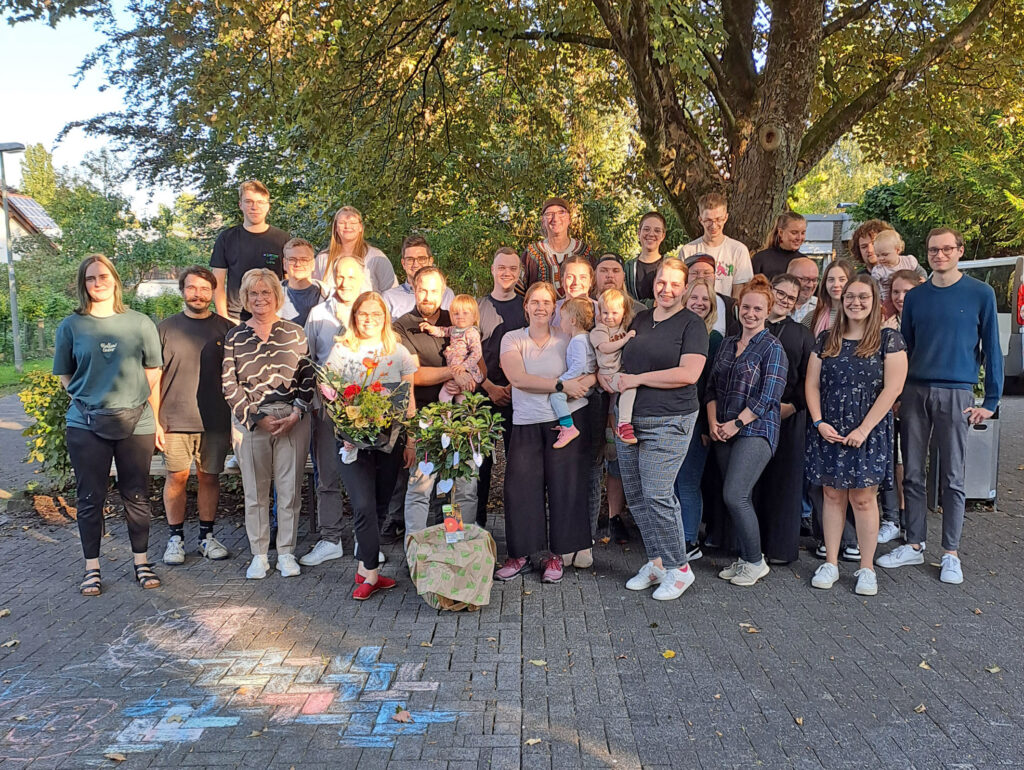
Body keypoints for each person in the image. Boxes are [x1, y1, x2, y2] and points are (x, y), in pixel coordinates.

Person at [877, 227, 1003, 585]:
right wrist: (897, 392)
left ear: (959, 251)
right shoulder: (917, 297)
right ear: (926, 253)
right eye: (934, 250)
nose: (940, 255)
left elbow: (992, 349)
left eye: (947, 249)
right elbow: (907, 348)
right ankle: (914, 543)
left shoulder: (981, 293)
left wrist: (991, 400)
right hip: (916, 390)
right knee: (913, 473)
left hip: (957, 392)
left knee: (953, 476)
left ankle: (950, 553)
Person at [54, 254, 163, 595]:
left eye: (103, 276)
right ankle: (91, 568)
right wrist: (89, 400)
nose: (98, 283)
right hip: (85, 424)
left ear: (115, 280)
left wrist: (147, 412)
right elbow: (64, 375)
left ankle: (142, 562)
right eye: (90, 278)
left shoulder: (140, 323)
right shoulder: (71, 326)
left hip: (137, 422)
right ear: (83, 284)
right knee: (89, 497)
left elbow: (153, 370)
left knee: (137, 495)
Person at [806, 275, 908, 595]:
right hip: (830, 428)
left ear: (875, 302)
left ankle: (866, 568)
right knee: (832, 495)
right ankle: (831, 563)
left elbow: (893, 388)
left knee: (863, 499)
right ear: (842, 300)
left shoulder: (889, 339)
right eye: (850, 297)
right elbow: (811, 384)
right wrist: (819, 421)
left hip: (870, 428)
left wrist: (864, 429)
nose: (856, 303)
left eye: (863, 297)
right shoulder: (825, 340)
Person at [614, 257, 708, 600]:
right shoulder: (640, 318)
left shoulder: (691, 325)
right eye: (661, 282)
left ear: (684, 288)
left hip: (669, 420)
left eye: (674, 284)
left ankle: (679, 568)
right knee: (637, 495)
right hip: (629, 419)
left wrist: (638, 379)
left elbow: (688, 374)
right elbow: (625, 361)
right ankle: (656, 562)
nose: (666, 289)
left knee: (657, 493)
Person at [497, 282, 596, 583]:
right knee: (521, 491)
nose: (541, 307)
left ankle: (557, 555)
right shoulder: (512, 338)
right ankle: (521, 555)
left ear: (555, 308)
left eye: (547, 302)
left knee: (564, 490)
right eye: (535, 302)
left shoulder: (568, 339)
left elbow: (593, 371)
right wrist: (561, 385)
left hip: (562, 424)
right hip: (525, 422)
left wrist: (585, 383)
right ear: (525, 306)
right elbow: (518, 378)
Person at [222, 269, 314, 580]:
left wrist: (296, 413)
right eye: (253, 294)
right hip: (252, 420)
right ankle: (259, 555)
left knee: (289, 491)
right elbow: (228, 383)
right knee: (256, 492)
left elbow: (308, 376)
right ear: (245, 298)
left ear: (277, 296)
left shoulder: (294, 332)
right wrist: (256, 418)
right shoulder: (235, 336)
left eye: (266, 293)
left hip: (292, 418)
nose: (260, 299)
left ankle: (286, 553)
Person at [325, 292, 416, 599]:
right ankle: (372, 572)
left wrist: (411, 442)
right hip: (352, 444)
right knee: (363, 505)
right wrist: (346, 420)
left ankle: (366, 571)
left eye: (376, 314)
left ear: (384, 317)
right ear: (354, 317)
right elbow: (329, 396)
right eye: (363, 314)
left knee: (378, 506)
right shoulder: (341, 351)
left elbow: (409, 403)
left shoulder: (399, 353)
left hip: (391, 443)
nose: (369, 319)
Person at [706, 276, 787, 587]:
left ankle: (755, 561)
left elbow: (769, 396)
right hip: (723, 429)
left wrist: (737, 423)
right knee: (739, 497)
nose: (750, 313)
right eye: (746, 307)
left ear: (767, 311)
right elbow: (711, 387)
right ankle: (744, 557)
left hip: (756, 430)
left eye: (758, 308)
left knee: (735, 494)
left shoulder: (772, 347)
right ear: (738, 307)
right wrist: (714, 423)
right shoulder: (727, 344)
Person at [155, 266, 233, 566]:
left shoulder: (226, 330)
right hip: (173, 420)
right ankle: (175, 538)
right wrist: (155, 420)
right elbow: (153, 378)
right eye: (192, 288)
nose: (198, 294)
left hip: (215, 421)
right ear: (182, 290)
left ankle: (206, 537)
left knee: (209, 477)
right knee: (176, 477)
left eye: (204, 288)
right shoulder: (164, 329)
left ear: (212, 292)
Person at [396, 267, 479, 535]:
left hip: (461, 420)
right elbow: (414, 375)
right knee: (421, 487)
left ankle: (455, 540)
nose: (428, 295)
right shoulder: (402, 326)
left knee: (459, 487)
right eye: (422, 289)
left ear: (443, 292)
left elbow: (482, 367)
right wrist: (455, 373)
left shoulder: (456, 318)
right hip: (425, 419)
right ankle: (416, 546)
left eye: (434, 290)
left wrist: (468, 376)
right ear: (413, 288)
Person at [299, 256, 365, 567]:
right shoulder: (317, 313)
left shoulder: (372, 310)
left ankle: (366, 540)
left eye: (351, 276)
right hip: (327, 406)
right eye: (340, 275)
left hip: (366, 406)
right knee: (327, 474)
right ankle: (330, 538)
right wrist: (314, 402)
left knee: (364, 473)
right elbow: (309, 359)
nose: (345, 282)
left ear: (361, 277)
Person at [752, 274, 815, 564]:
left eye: (791, 297)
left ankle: (779, 548)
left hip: (788, 416)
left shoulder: (801, 335)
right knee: (753, 481)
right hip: (750, 416)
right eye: (780, 293)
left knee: (784, 483)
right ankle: (750, 545)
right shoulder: (751, 323)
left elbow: (809, 379)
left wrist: (791, 406)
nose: (784, 300)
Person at [476, 247, 528, 527]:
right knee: (480, 466)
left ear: (519, 272)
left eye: (512, 269)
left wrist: (512, 385)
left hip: (518, 396)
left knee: (517, 467)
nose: (507, 273)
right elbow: (469, 352)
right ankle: (478, 528)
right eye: (501, 268)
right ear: (492, 270)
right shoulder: (478, 306)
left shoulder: (526, 307)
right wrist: (489, 386)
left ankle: (517, 530)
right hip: (482, 394)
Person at [671, 277, 723, 558]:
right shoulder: (676, 332)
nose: (700, 303)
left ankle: (689, 540)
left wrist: (705, 424)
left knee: (688, 482)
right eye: (695, 298)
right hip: (672, 419)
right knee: (674, 481)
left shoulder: (713, 339)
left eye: (705, 300)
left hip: (697, 422)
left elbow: (710, 387)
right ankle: (676, 536)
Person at [878, 269, 926, 544]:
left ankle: (907, 517)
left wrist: (902, 397)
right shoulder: (886, 324)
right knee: (889, 460)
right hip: (887, 402)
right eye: (895, 291)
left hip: (911, 400)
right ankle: (891, 517)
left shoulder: (922, 321)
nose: (900, 297)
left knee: (907, 461)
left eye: (906, 291)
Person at [210, 180, 290, 323]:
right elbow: (218, 282)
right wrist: (224, 318)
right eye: (249, 201)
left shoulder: (282, 239)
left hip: (273, 316)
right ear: (240, 205)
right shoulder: (227, 238)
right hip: (236, 318)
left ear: (268, 206)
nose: (255, 207)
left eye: (260, 202)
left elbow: (289, 281)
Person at [679, 192, 753, 299]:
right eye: (708, 220)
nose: (714, 226)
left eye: (718, 219)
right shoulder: (687, 251)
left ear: (726, 218)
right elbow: (681, 288)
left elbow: (739, 292)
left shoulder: (738, 250)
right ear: (700, 220)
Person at [517, 197, 593, 296]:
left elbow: (595, 289)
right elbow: (518, 291)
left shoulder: (584, 252)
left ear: (569, 219)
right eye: (549, 214)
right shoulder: (531, 253)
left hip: (580, 311)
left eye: (561, 213)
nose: (555, 219)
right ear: (543, 221)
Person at [548, 297, 597, 448]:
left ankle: (568, 427)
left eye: (562, 318)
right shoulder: (586, 337)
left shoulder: (577, 341)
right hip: (585, 380)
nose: (560, 322)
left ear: (573, 321)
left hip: (581, 382)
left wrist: (563, 380)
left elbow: (579, 365)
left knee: (556, 395)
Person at [313, 205, 397, 293]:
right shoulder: (323, 259)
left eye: (353, 223)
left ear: (360, 227)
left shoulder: (375, 257)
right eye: (342, 223)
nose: (347, 226)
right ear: (336, 228)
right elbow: (314, 292)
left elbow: (392, 294)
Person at [591, 289, 638, 443]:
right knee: (629, 386)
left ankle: (615, 433)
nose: (609, 317)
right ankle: (624, 424)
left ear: (623, 313)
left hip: (619, 371)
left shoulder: (621, 328)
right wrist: (625, 340)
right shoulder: (599, 330)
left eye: (614, 313)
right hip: (608, 373)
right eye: (605, 313)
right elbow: (604, 347)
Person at [418, 295, 485, 404]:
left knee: (451, 396)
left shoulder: (472, 332)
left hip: (465, 370)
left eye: (465, 313)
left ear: (474, 316)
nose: (460, 316)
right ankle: (451, 419)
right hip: (453, 370)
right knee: (453, 396)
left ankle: (453, 419)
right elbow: (443, 331)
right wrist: (430, 328)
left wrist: (464, 366)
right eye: (456, 314)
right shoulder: (454, 330)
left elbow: (476, 353)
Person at [382, 235, 454, 318]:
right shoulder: (389, 298)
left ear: (430, 261)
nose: (415, 264)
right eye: (410, 259)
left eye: (421, 259)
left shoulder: (446, 294)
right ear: (403, 263)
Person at [279, 238, 329, 327]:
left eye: (304, 260)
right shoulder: (271, 295)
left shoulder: (328, 296)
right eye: (292, 259)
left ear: (313, 264)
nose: (298, 264)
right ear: (284, 263)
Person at [685, 254, 738, 336]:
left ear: (714, 277)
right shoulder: (676, 305)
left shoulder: (731, 306)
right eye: (695, 273)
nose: (701, 277)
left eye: (707, 273)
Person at [869, 230, 919, 316]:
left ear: (897, 250)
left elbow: (920, 271)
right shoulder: (879, 270)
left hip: (910, 295)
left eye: (885, 254)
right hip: (887, 299)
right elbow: (873, 285)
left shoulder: (908, 261)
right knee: (887, 313)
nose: (881, 258)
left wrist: (922, 279)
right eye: (878, 255)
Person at [624, 211, 667, 305]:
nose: (651, 234)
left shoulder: (671, 265)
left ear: (663, 236)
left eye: (657, 230)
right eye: (646, 229)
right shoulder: (628, 268)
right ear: (639, 233)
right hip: (636, 317)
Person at [807, 258, 856, 336]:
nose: (836, 285)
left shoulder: (859, 315)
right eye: (831, 280)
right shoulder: (813, 317)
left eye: (842, 279)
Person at [751, 212, 807, 278]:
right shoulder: (760, 259)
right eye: (794, 233)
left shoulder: (806, 262)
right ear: (781, 232)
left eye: (803, 233)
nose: (799, 238)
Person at [788, 257, 820, 323]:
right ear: (789, 278)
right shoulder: (774, 306)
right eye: (805, 279)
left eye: (814, 280)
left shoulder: (821, 308)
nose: (810, 285)